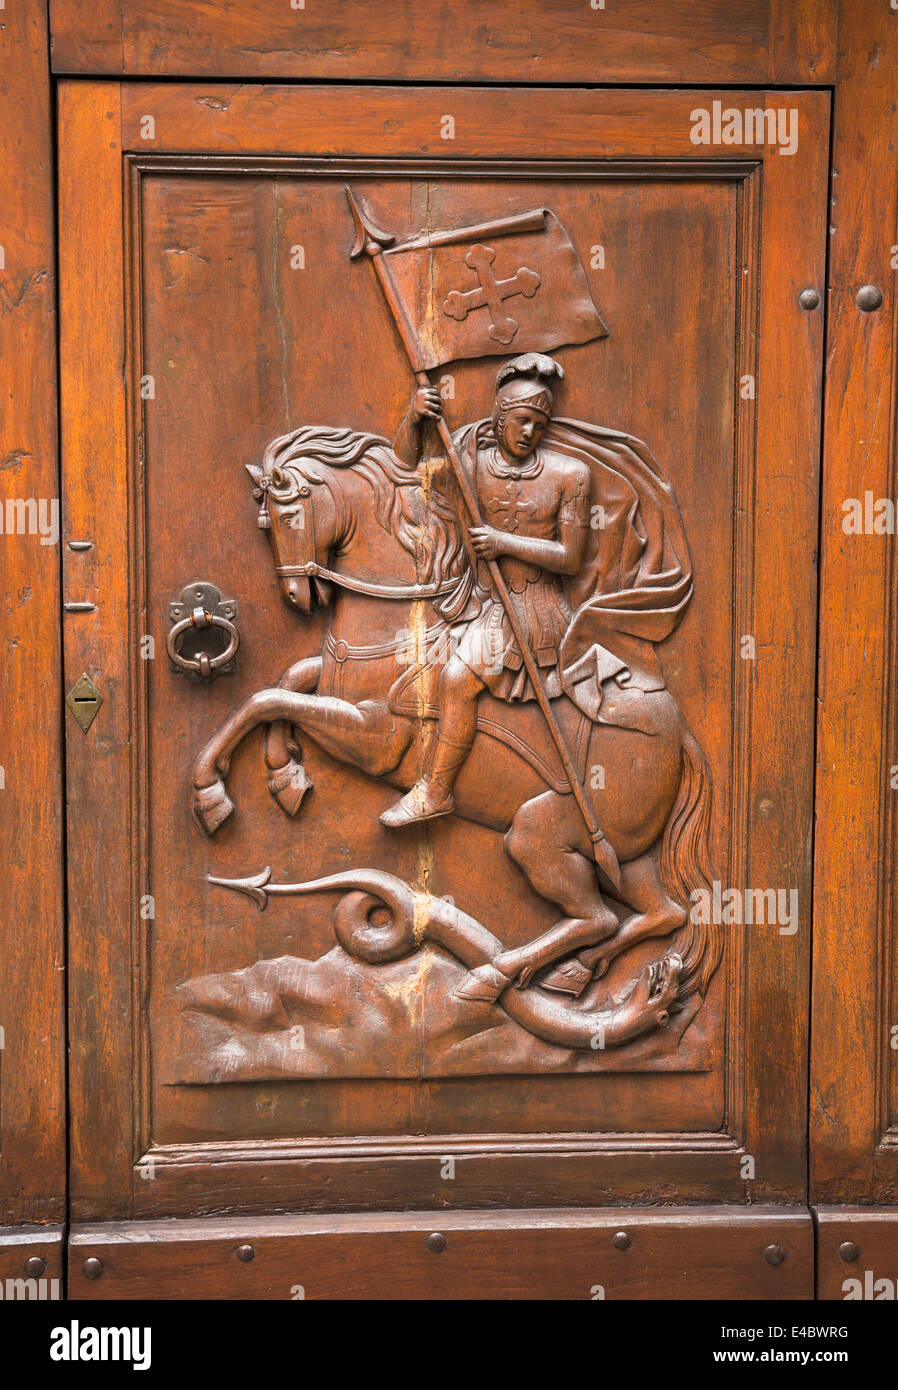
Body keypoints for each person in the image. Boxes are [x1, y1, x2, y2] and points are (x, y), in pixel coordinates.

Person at [380, 352, 591, 828]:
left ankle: (435, 792)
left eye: (540, 424)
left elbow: (571, 557)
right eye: (520, 420)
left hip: (533, 607)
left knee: (456, 679)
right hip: (476, 599)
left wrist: (503, 542)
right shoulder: (467, 459)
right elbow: (405, 469)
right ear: (498, 418)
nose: (529, 433)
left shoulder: (570, 475)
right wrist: (414, 418)